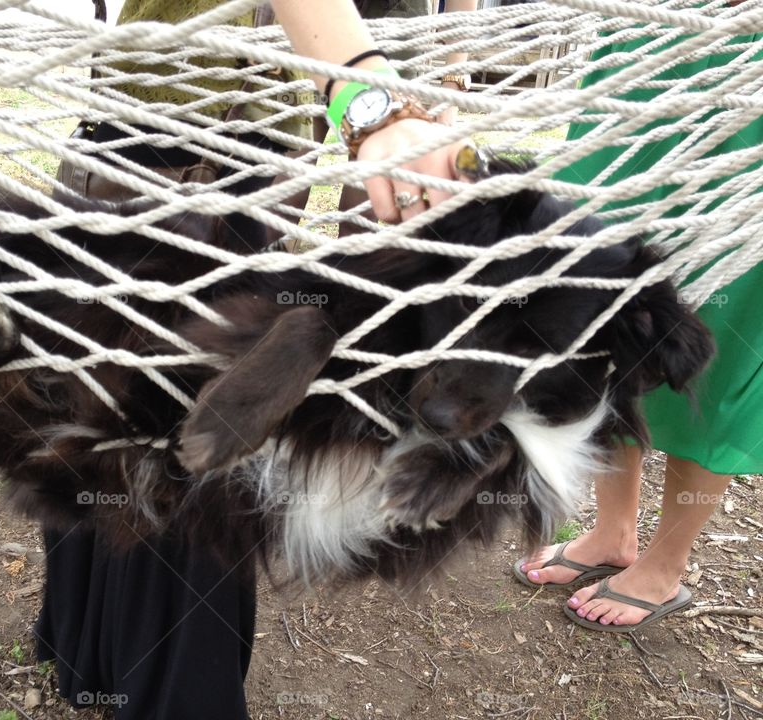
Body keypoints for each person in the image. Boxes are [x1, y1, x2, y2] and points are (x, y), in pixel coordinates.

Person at [35, 2, 469, 718]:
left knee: (157, 402)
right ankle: (158, 687)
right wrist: (369, 96)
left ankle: (97, 654)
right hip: (172, 120)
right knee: (152, 408)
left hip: (249, 134)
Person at [515, 18, 763, 631]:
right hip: (644, 54)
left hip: (750, 84)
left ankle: (664, 565)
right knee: (602, 309)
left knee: (725, 335)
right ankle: (612, 531)